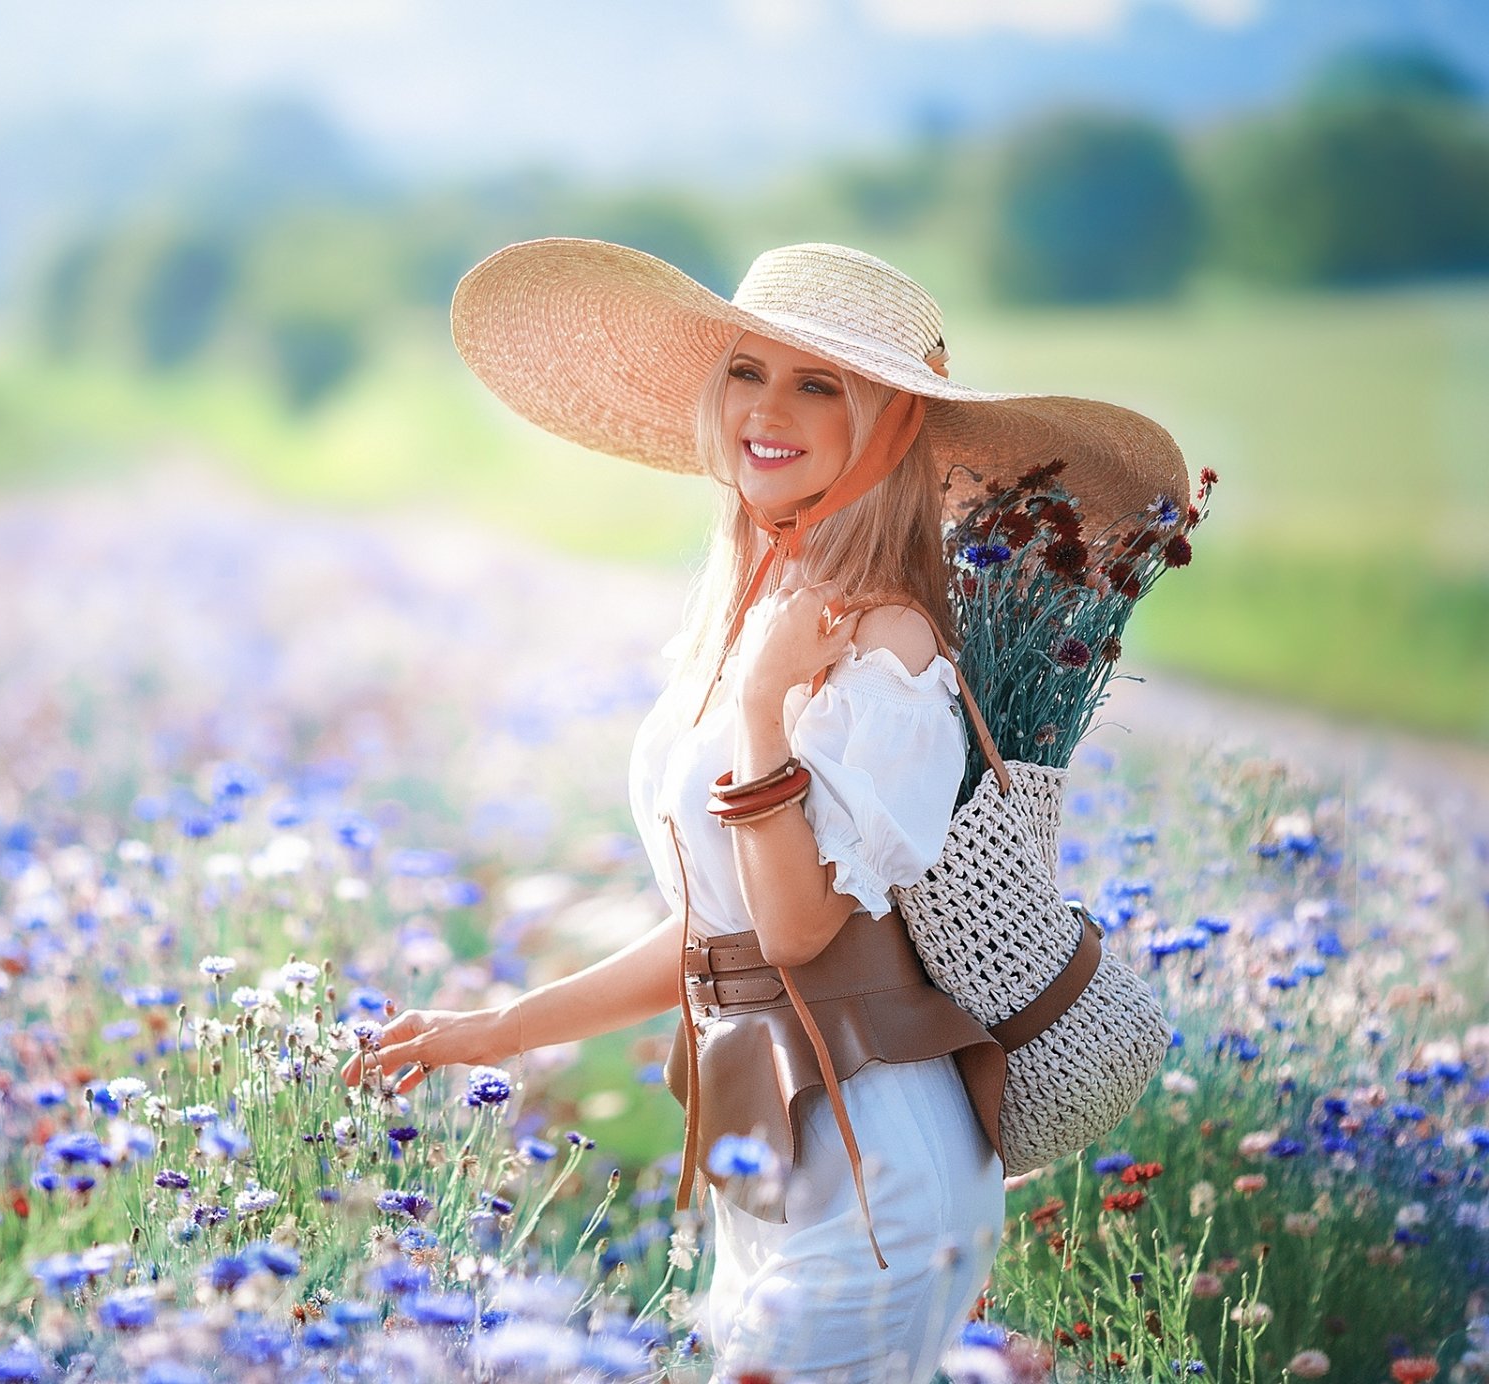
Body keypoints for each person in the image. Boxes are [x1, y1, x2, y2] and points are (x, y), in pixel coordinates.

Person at [339, 239, 1186, 1382]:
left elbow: (794, 932)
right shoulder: (764, 613)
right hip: (783, 1175)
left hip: (878, 1188)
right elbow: (717, 930)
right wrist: (486, 1032)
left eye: (819, 383)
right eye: (747, 370)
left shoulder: (887, 644)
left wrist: (760, 711)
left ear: (890, 425)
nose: (767, 409)